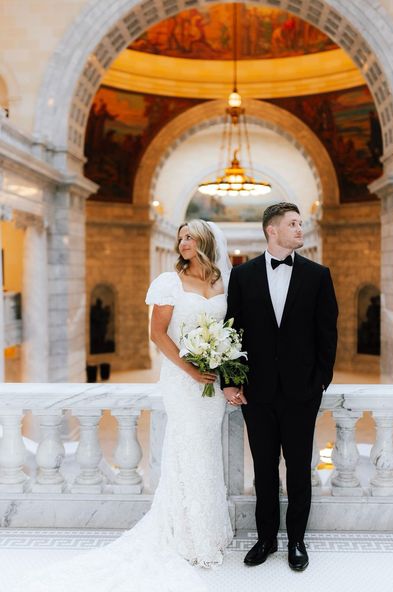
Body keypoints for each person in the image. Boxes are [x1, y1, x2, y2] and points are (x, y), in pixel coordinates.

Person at [13, 219, 233, 592]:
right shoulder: (169, 283)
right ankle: (187, 536)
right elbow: (157, 334)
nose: (182, 243)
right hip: (183, 380)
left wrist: (222, 365)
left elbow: (228, 330)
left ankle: (208, 530)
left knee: (207, 452)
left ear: (206, 241)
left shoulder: (221, 283)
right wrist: (191, 369)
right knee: (189, 449)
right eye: (179, 237)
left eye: (189, 237)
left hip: (212, 382)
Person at [223, 202, 338, 572]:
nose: (300, 229)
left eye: (300, 224)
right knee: (264, 469)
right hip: (256, 393)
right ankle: (266, 538)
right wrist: (230, 381)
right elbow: (231, 333)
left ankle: (298, 541)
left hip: (301, 392)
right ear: (272, 230)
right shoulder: (242, 277)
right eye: (293, 224)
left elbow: (327, 334)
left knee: (299, 469)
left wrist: (320, 381)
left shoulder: (319, 275)